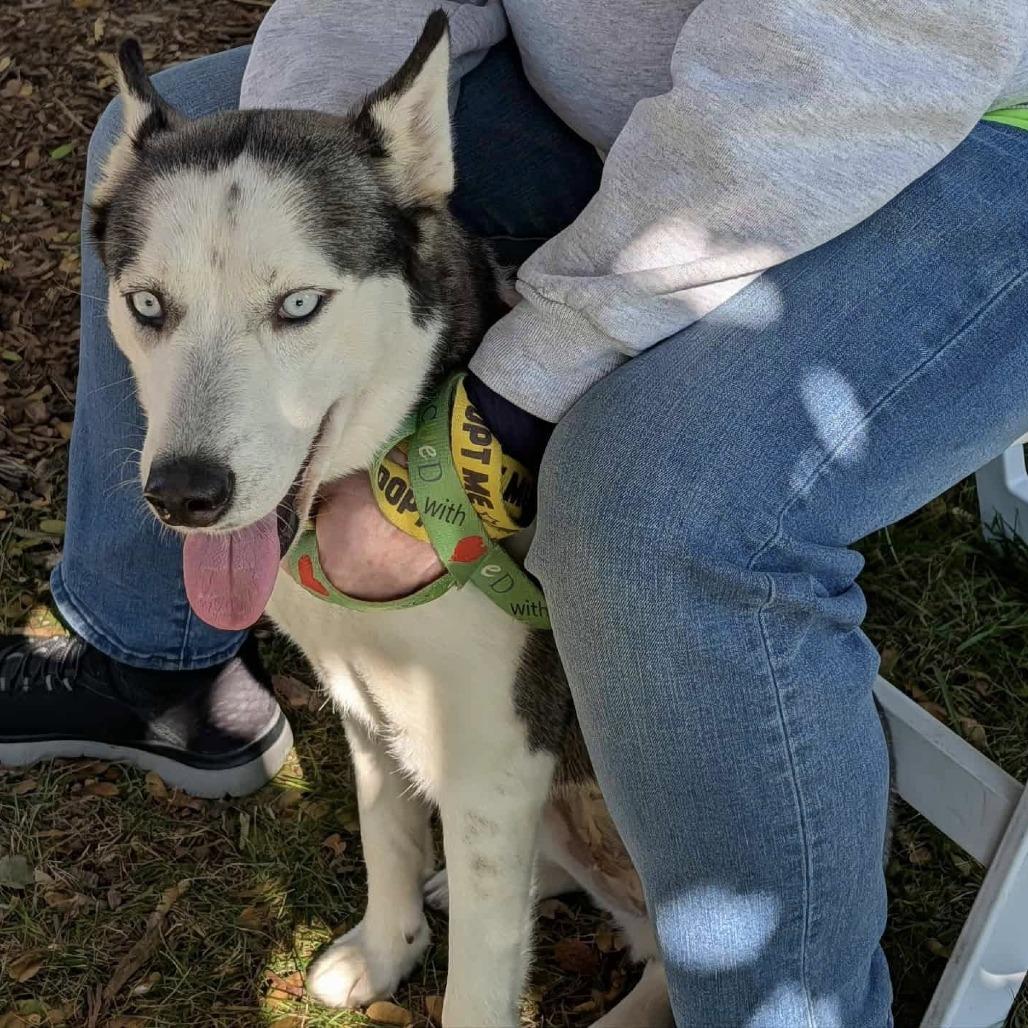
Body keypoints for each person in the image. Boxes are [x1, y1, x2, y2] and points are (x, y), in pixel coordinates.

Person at [3, 1, 1027, 1022]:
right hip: (618, 109)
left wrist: (495, 417)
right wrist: (284, 187)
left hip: (930, 117)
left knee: (649, 505)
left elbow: (860, 63)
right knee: (173, 158)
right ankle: (155, 657)